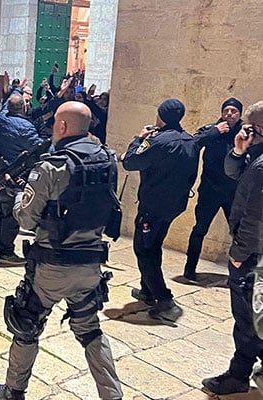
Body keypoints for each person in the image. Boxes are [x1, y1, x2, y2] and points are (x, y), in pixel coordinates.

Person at [0, 101, 122, 400]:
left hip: (52, 266)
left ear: (61, 126)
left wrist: (21, 193)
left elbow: (26, 218)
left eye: (54, 125)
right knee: (89, 329)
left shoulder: (51, 166)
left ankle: (12, 392)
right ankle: (112, 395)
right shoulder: (107, 159)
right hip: (91, 264)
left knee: (26, 326)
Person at [202, 101, 263, 396]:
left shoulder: (261, 167)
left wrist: (239, 255)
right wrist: (239, 150)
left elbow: (254, 217)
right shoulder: (255, 156)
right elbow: (231, 171)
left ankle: (238, 374)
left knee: (247, 317)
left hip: (253, 257)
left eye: (247, 127)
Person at [121, 98, 199, 322]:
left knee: (144, 251)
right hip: (174, 206)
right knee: (153, 245)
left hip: (152, 207)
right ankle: (147, 291)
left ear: (161, 116)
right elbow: (192, 175)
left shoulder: (159, 142)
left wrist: (139, 138)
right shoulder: (190, 141)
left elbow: (130, 162)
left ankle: (164, 299)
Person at [183, 98, 243, 281]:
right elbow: (192, 144)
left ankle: (238, 273)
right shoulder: (212, 129)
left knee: (239, 233)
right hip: (210, 189)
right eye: (227, 110)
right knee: (200, 229)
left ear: (240, 114)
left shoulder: (245, 132)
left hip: (234, 192)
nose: (229, 114)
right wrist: (214, 132)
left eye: (234, 111)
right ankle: (189, 269)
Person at [0, 88, 46, 265]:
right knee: (11, 215)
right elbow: (38, 147)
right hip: (14, 174)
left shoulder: (2, 117)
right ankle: (6, 252)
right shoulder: (25, 127)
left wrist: (18, 88)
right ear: (23, 107)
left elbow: (7, 103)